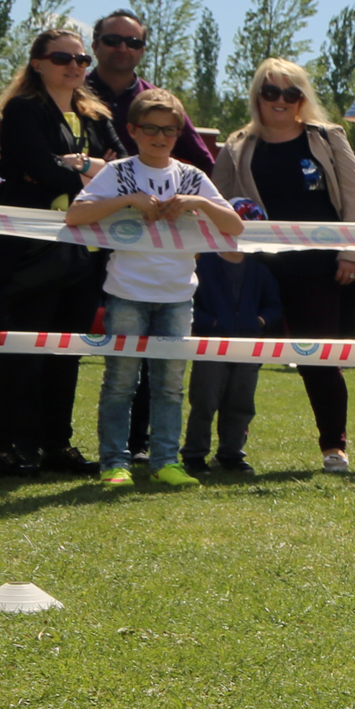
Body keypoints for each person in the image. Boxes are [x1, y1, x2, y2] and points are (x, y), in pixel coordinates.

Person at [67, 89, 243, 487]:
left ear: (179, 133)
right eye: (151, 128)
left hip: (178, 296)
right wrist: (127, 200)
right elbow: (76, 215)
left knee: (169, 387)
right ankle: (114, 462)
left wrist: (198, 204)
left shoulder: (192, 177)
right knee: (119, 384)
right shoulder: (117, 173)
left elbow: (234, 225)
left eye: (169, 129)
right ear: (132, 130)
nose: (160, 137)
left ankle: (166, 460)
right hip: (126, 291)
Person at [212, 60, 355, 473]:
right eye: (270, 92)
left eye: (290, 93)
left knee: (319, 358)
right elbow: (217, 201)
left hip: (320, 269)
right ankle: (229, 448)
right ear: (257, 96)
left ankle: (334, 446)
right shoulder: (237, 144)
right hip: (254, 270)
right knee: (240, 358)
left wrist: (353, 253)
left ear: (302, 99)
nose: (280, 101)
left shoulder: (329, 138)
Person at [0, 28, 111, 474]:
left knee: (66, 352)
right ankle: (2, 449)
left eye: (81, 60)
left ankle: (55, 446)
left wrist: (75, 167)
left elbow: (123, 168)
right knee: (23, 350)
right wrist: (87, 173)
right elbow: (37, 169)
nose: (74, 66)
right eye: (61, 58)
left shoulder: (94, 114)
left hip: (84, 253)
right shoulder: (22, 109)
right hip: (26, 253)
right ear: (37, 63)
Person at [182, 198, 281, 472]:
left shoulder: (260, 270)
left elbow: (273, 305)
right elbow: (189, 302)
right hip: (210, 347)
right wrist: (209, 323)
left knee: (241, 403)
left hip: (249, 347)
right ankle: (194, 455)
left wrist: (260, 321)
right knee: (204, 401)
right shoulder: (202, 265)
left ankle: (231, 453)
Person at [86, 9, 215, 168]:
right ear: (95, 45)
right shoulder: (71, 93)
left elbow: (203, 162)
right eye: (112, 40)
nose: (123, 48)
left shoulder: (158, 102)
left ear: (142, 50)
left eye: (133, 43)